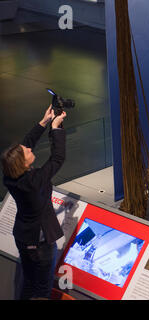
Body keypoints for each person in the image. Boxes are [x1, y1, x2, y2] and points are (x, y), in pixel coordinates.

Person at [1, 105, 67, 299]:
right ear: (23, 164)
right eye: (27, 152)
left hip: (23, 237)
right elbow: (58, 158)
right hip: (40, 244)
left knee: (29, 283)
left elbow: (25, 145)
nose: (29, 148)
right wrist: (56, 128)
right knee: (42, 290)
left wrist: (44, 122)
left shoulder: (10, 176)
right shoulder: (34, 180)